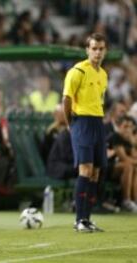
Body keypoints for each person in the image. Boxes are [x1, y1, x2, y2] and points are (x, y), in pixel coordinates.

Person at [63, 33, 108, 233]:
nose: (97, 52)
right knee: (86, 170)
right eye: (94, 48)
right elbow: (67, 98)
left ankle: (87, 219)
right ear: (87, 50)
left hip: (98, 122)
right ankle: (79, 219)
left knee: (96, 172)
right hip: (82, 122)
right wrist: (69, 124)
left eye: (101, 49)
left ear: (104, 51)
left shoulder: (103, 74)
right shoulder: (77, 71)